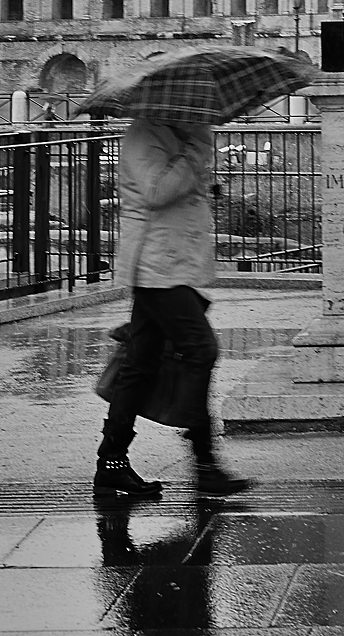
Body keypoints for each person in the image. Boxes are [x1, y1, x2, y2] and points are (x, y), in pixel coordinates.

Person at [94, 118, 247, 500]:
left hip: (170, 263)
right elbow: (157, 191)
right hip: (156, 265)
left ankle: (111, 462)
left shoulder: (175, 130)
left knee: (140, 363)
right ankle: (205, 463)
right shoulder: (145, 134)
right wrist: (195, 151)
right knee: (200, 348)